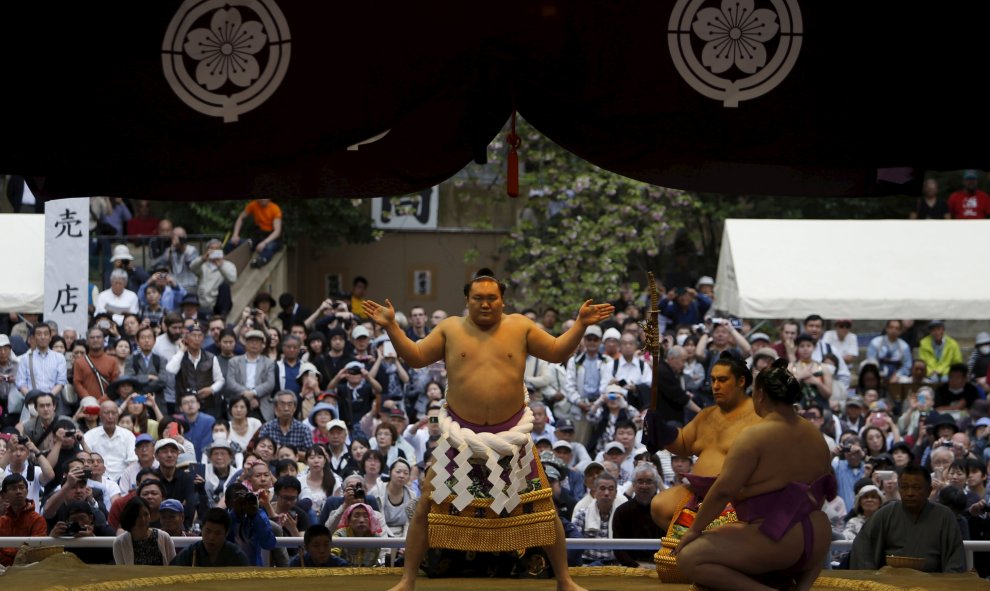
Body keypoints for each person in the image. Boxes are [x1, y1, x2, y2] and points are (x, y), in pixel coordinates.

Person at [362, 270, 613, 591]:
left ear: (502, 300)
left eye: (491, 298)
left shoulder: (520, 326)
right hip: (460, 440)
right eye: (477, 298)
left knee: (545, 507)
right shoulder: (450, 328)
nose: (484, 304)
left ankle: (565, 579)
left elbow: (556, 351)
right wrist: (392, 327)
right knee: (426, 504)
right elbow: (417, 357)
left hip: (512, 438)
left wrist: (580, 325)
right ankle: (407, 579)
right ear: (466, 300)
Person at [674, 360, 836, 590]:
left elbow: (723, 491)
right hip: (817, 538)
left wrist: (694, 531)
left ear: (760, 395)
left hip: (776, 539)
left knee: (689, 557)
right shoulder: (816, 435)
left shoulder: (754, 436)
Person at [644, 352, 761, 529]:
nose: (715, 386)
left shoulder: (760, 416)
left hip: (739, 496)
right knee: (661, 505)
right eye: (713, 380)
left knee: (726, 518)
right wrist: (662, 429)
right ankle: (694, 544)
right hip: (699, 493)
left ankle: (703, 546)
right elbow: (684, 443)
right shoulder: (707, 415)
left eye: (722, 380)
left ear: (741, 382)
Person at [850, 465, 966, 572]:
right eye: (904, 487)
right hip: (889, 583)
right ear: (899, 488)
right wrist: (871, 577)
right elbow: (862, 545)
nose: (909, 493)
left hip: (932, 583)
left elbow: (955, 559)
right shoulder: (886, 513)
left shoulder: (944, 516)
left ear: (929, 490)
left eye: (916, 488)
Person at [611, 463, 664, 567]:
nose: (644, 486)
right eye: (640, 481)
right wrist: (635, 567)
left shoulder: (664, 511)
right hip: (631, 567)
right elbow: (618, 547)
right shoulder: (621, 511)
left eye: (649, 481)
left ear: (656, 485)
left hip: (661, 565)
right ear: (633, 484)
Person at [226, 330, 278, 421]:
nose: (254, 344)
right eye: (251, 341)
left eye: (257, 341)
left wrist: (253, 393)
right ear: (245, 343)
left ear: (262, 345)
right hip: (238, 403)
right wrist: (247, 395)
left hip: (261, 405)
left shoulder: (268, 363)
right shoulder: (234, 361)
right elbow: (230, 382)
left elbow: (270, 384)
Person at [171, 507, 250, 566]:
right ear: (201, 529)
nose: (211, 537)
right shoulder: (189, 554)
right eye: (208, 531)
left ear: (226, 533)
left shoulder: (236, 556)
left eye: (217, 533)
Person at [0, 473, 48, 566]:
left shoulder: (37, 519)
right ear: (4, 495)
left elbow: (35, 551)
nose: (18, 491)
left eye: (21, 487)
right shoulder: (1, 521)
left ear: (27, 490)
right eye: (13, 488)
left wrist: (5, 550)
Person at [112, 496, 176, 565]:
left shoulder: (164, 537)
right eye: (138, 516)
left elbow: (174, 567)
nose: (143, 520)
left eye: (146, 514)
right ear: (130, 517)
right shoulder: (119, 543)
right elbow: (122, 572)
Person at [229, 198, 283, 268]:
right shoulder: (253, 205)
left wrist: (264, 242)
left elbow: (277, 231)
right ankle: (227, 259)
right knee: (237, 243)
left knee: (269, 247)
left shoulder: (275, 209)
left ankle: (261, 260)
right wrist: (235, 235)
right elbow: (241, 218)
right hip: (259, 236)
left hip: (272, 238)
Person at [190, 239, 237, 316]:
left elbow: (232, 280)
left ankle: (222, 317)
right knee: (197, 324)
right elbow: (192, 267)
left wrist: (220, 265)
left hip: (219, 304)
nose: (214, 252)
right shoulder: (203, 265)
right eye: (212, 249)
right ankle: (197, 324)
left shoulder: (228, 265)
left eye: (217, 249)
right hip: (203, 303)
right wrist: (202, 258)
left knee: (224, 286)